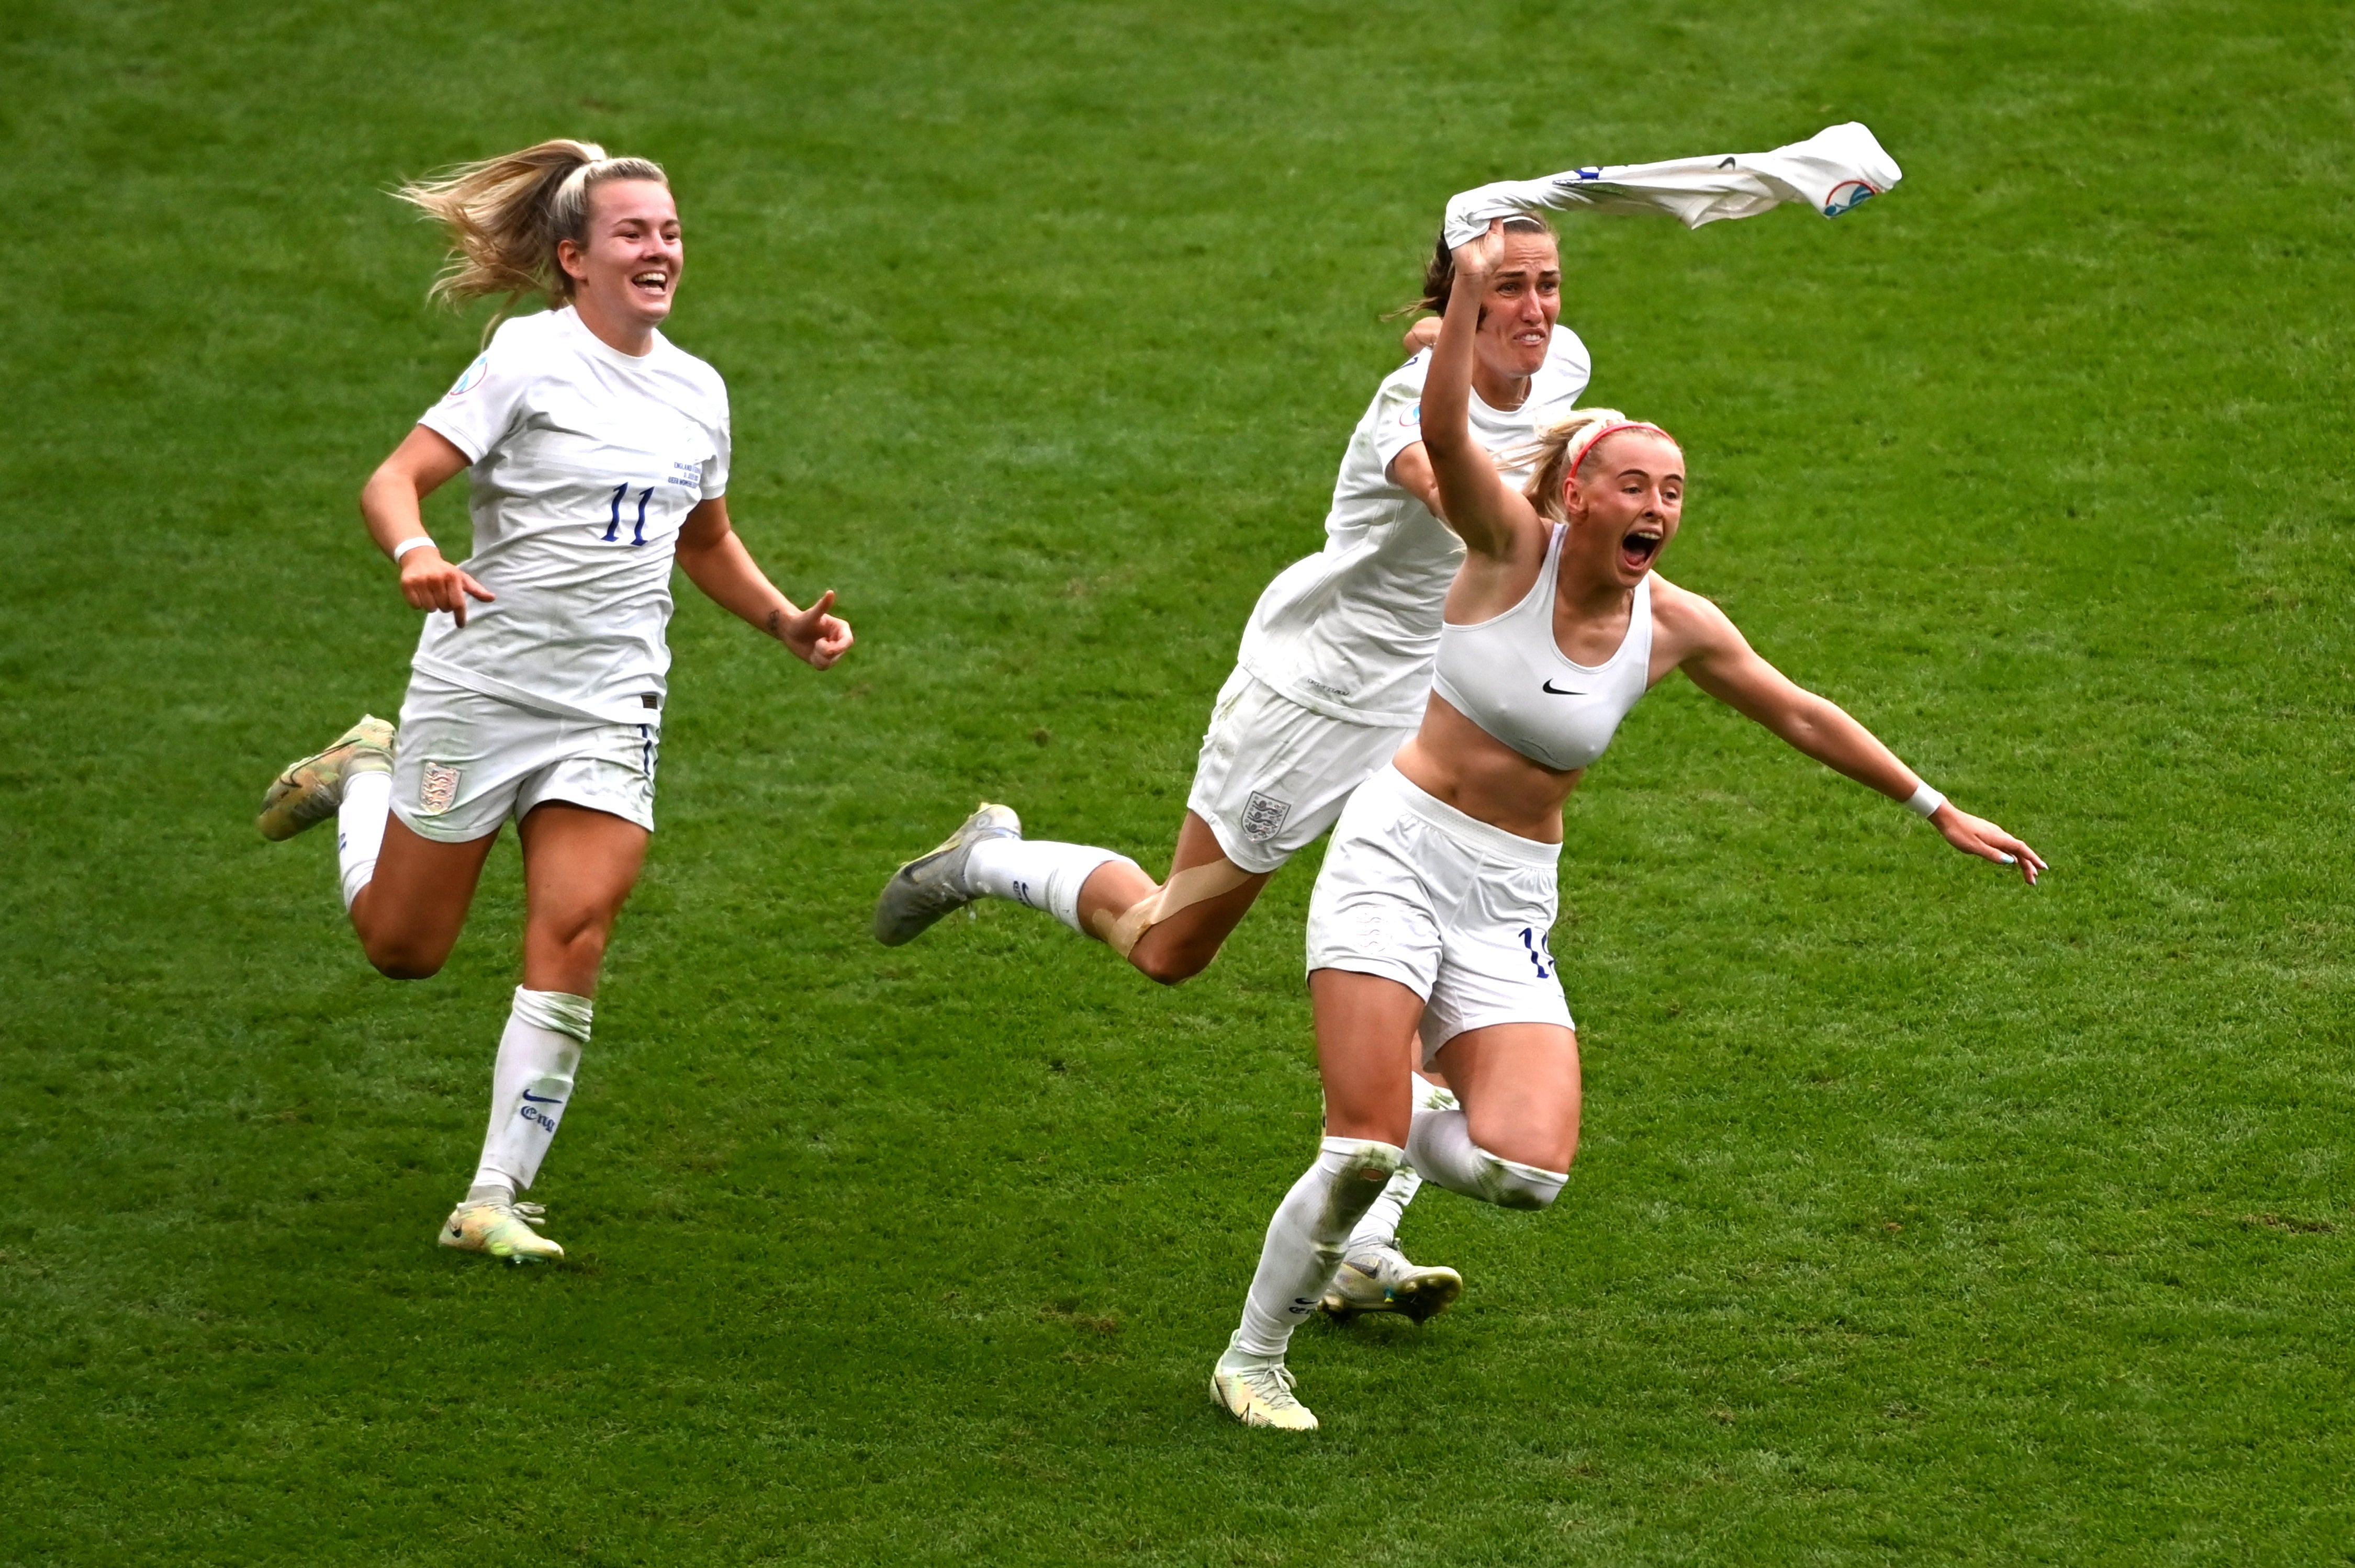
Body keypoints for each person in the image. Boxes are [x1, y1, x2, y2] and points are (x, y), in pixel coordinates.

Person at [1206, 221, 2045, 1430]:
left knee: (1526, 1171)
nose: (1659, 506)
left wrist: (1936, 805)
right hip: (1395, 852)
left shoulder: (1674, 621)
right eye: (1637, 484)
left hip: (1509, 894)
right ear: (1576, 494)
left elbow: (1800, 712)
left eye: (1675, 490)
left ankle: (1407, 1125)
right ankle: (1254, 1355)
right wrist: (1458, 323)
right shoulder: (1508, 552)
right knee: (1359, 1146)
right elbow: (1445, 436)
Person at [871, 217, 1584, 1323]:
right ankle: (989, 859)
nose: (1539, 312)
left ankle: (1361, 1243)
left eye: (1549, 286)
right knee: (1170, 944)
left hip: (1432, 721)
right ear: (1463, 309)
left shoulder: (1562, 365)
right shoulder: (1406, 413)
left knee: (1433, 971)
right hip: (1312, 702)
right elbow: (1466, 498)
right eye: (1511, 290)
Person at [255, 140, 852, 1263]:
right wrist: (418, 555)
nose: (660, 250)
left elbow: (703, 537)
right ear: (574, 258)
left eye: (670, 231)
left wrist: (784, 621)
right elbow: (393, 478)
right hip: (483, 687)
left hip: (609, 702)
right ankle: (366, 775)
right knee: (403, 947)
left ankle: (493, 1194)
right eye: (635, 233)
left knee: (576, 924)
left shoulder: (698, 388)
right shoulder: (529, 360)